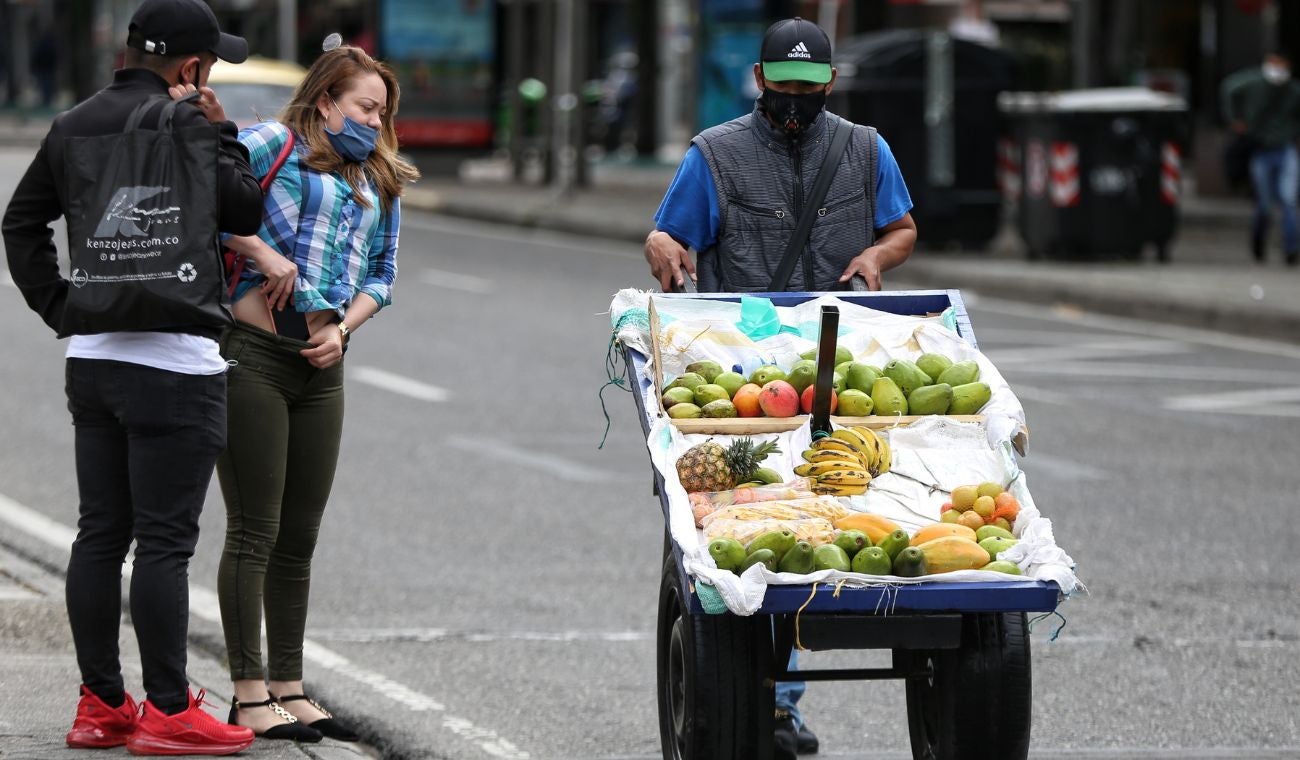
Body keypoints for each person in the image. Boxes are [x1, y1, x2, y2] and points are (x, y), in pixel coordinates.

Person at [644, 16, 916, 759]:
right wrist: (662, 247)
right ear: (759, 81)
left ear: (830, 85)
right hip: (742, 374)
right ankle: (770, 704)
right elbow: (668, 235)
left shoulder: (866, 149)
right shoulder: (716, 155)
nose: (794, 103)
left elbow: (903, 227)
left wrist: (875, 254)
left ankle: (778, 705)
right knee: (760, 529)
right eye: (782, 88)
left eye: (809, 89)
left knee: (824, 519)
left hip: (841, 364)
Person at [0, 0, 263, 754]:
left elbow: (21, 225)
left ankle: (101, 705)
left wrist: (64, 308)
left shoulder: (73, 122)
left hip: (93, 361)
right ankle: (171, 711)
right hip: (176, 361)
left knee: (100, 534)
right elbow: (243, 206)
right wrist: (222, 132)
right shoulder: (190, 123)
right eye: (210, 63)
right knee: (164, 543)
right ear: (190, 67)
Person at [214, 40, 419, 743]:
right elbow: (208, 198)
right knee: (254, 530)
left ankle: (288, 686)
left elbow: (384, 274)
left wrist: (344, 330)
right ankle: (245, 694)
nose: (375, 121)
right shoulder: (269, 143)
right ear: (326, 100)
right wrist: (262, 253)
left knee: (298, 537)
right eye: (364, 106)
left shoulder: (378, 176)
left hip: (323, 366)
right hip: (256, 356)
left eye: (383, 111)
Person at [1221, 52, 1300, 267]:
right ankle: (1258, 242)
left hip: (1285, 149)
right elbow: (1229, 88)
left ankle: (1291, 249)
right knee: (1264, 205)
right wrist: (1235, 119)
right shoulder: (1253, 83)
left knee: (1289, 200)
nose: (1278, 70)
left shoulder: (1292, 91)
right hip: (1261, 151)